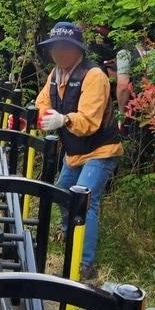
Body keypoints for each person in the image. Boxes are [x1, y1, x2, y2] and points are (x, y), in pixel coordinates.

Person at [35, 21, 123, 278]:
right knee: (63, 191)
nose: (59, 52)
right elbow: (42, 103)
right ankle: (72, 234)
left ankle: (85, 265)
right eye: (54, 47)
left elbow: (89, 122)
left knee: (84, 199)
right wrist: (45, 117)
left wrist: (63, 120)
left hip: (101, 149)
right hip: (75, 151)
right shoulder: (55, 75)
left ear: (78, 49)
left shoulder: (93, 75)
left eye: (65, 46)